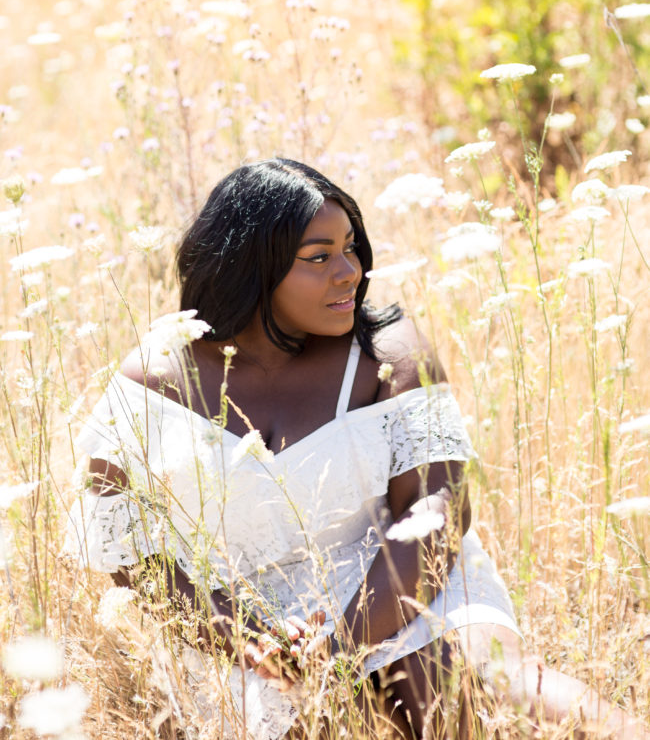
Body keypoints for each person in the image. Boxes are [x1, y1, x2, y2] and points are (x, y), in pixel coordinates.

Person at [65, 158, 645, 740]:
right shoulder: (155, 380)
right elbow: (127, 541)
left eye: (351, 248)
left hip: (399, 581)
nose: (350, 273)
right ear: (250, 267)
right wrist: (237, 635)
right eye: (318, 257)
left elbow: (436, 510)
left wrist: (341, 644)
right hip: (245, 627)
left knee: (480, 686)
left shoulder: (388, 352)